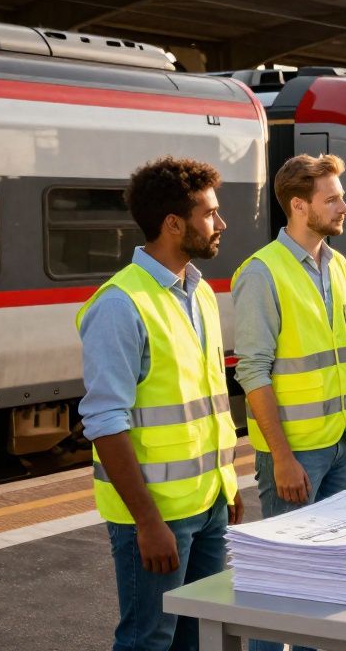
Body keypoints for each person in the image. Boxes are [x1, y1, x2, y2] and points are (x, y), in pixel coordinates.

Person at [77, 156, 241, 651]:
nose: (221, 223)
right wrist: (148, 523)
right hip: (156, 516)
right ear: (173, 224)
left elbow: (207, 401)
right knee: (148, 640)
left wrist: (226, 484)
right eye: (209, 214)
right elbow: (105, 422)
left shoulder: (200, 292)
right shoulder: (119, 305)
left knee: (200, 636)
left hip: (208, 503)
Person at [232, 154, 346, 651]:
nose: (344, 207)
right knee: (283, 584)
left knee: (331, 580)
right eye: (332, 199)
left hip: (341, 442)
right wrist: (281, 456)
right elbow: (252, 373)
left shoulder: (339, 265)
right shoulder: (261, 273)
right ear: (299, 205)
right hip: (295, 453)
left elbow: (345, 354)